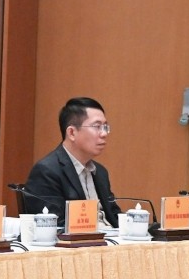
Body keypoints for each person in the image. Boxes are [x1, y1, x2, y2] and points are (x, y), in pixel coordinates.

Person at [22, 96, 120, 227]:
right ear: (72, 132)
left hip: (112, 238)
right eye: (97, 126)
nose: (104, 134)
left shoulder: (100, 172)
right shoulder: (47, 171)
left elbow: (114, 216)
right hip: (84, 239)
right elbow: (54, 226)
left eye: (105, 127)